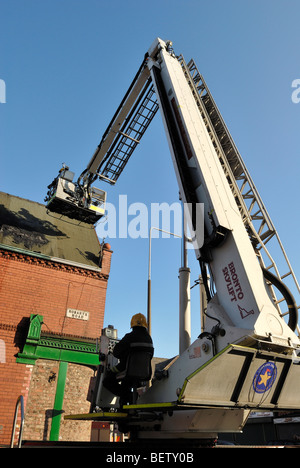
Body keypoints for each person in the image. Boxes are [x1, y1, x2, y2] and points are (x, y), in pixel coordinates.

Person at [103, 313, 153, 405]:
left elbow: (116, 352)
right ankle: (129, 398)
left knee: (107, 380)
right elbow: (150, 356)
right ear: (145, 325)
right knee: (128, 381)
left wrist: (124, 355)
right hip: (145, 373)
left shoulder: (129, 337)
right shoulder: (149, 339)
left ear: (132, 325)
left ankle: (127, 396)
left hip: (127, 370)